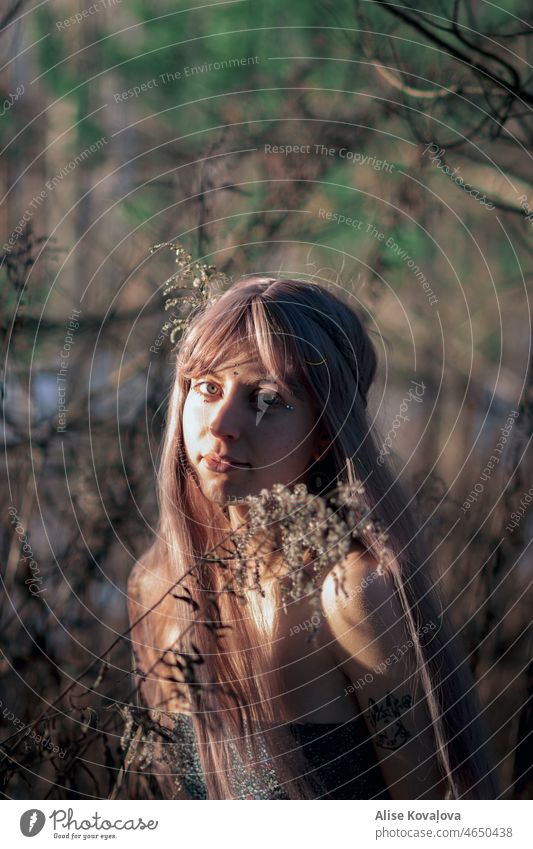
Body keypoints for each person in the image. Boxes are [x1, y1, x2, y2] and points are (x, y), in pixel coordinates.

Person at [127, 273, 499, 800]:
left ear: (325, 431)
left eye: (268, 398)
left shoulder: (350, 599)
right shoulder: (159, 590)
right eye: (208, 387)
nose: (223, 423)